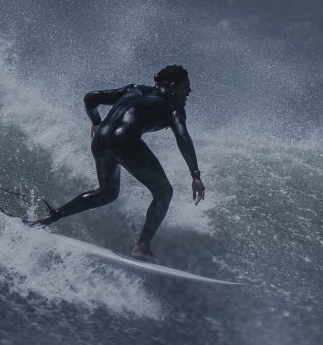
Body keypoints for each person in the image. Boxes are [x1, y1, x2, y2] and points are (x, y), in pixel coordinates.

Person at [28, 65, 206, 260]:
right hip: (125, 142)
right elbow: (182, 137)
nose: (190, 91)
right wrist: (195, 175)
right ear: (173, 86)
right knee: (164, 192)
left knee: (107, 192)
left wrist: (96, 122)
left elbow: (90, 98)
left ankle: (47, 219)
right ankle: (142, 245)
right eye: (186, 86)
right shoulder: (173, 106)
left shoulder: (134, 89)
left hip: (101, 140)